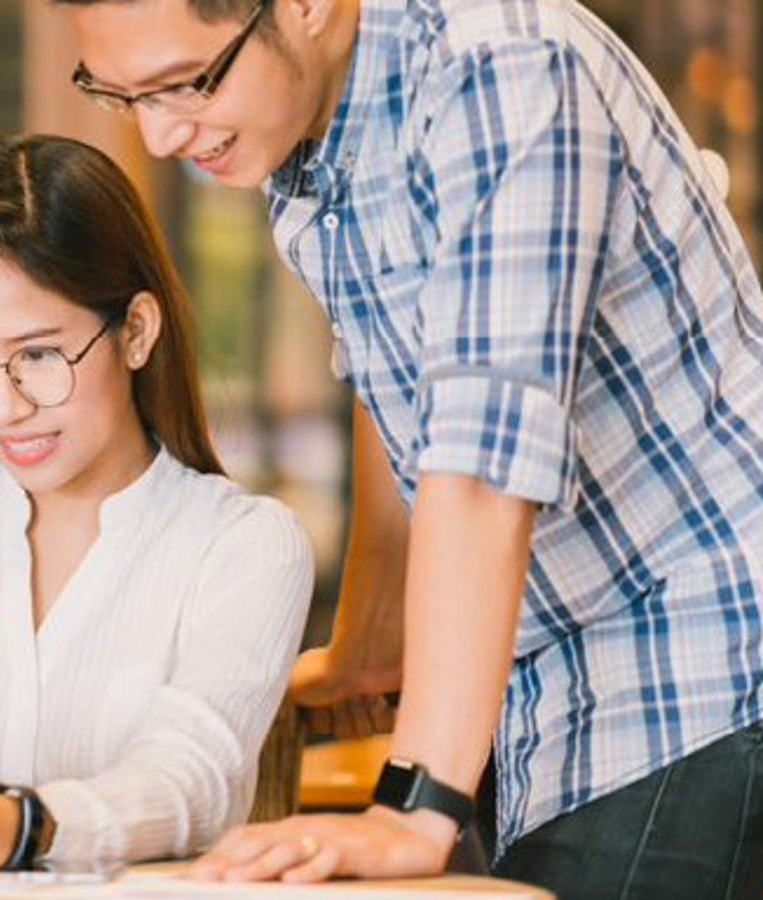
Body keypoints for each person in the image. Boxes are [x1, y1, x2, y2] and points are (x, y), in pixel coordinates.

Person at [54, 0, 763, 895]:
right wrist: (369, 644)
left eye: (185, 83)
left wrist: (417, 805)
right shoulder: (312, 122)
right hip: (547, 691)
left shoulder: (503, 70)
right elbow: (402, 401)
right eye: (121, 96)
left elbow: (482, 457)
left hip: (697, 649)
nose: (158, 136)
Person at [0, 133, 313, 876]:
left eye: (39, 356)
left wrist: (15, 827)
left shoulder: (245, 546)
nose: (4, 408)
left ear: (136, 331)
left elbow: (191, 783)